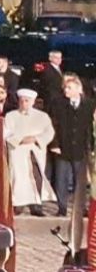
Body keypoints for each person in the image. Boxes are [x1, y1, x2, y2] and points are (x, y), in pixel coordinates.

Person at [7, 87, 56, 215]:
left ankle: (36, 206)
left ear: (33, 102)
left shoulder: (43, 116)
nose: (24, 103)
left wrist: (36, 139)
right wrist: (20, 140)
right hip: (18, 151)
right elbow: (6, 133)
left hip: (35, 151)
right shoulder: (11, 116)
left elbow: (49, 132)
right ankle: (18, 205)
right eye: (22, 101)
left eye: (27, 101)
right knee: (19, 178)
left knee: (37, 178)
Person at [49, 74, 92, 216]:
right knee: (62, 178)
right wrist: (54, 144)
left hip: (80, 148)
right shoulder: (58, 104)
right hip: (63, 147)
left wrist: (90, 147)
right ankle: (62, 207)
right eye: (65, 88)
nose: (66, 90)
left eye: (69, 88)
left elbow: (90, 128)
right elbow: (53, 125)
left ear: (79, 89)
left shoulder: (89, 105)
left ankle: (80, 207)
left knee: (80, 181)